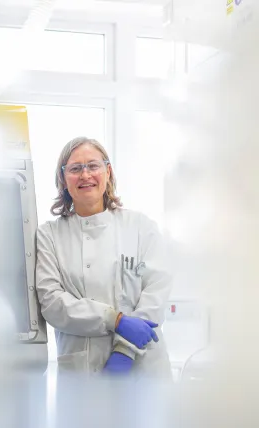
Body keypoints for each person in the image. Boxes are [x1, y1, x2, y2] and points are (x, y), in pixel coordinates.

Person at [35, 136, 172, 377]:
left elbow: (156, 295)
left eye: (93, 166)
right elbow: (52, 303)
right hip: (83, 372)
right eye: (75, 168)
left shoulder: (141, 227)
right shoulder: (49, 235)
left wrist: (125, 351)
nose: (85, 175)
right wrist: (115, 320)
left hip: (142, 369)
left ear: (108, 172)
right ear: (63, 180)